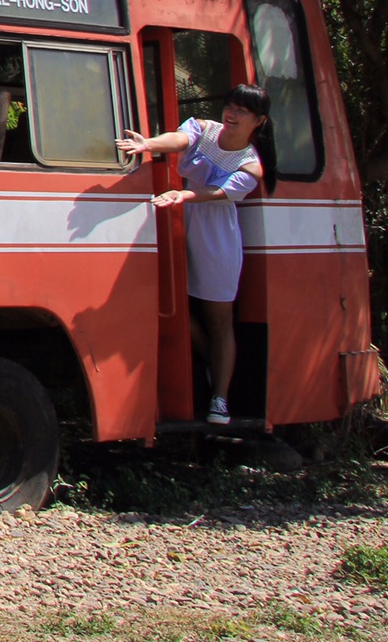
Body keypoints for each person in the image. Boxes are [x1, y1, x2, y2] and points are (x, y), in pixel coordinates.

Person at [116, 84, 276, 426]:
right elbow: (179, 139)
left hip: (216, 237)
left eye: (242, 111)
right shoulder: (204, 129)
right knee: (169, 303)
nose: (231, 114)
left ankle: (220, 398)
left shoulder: (251, 165)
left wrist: (184, 196)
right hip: (177, 224)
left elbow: (219, 192)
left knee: (220, 320)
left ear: (258, 121)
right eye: (230, 105)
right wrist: (148, 144)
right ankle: (211, 361)